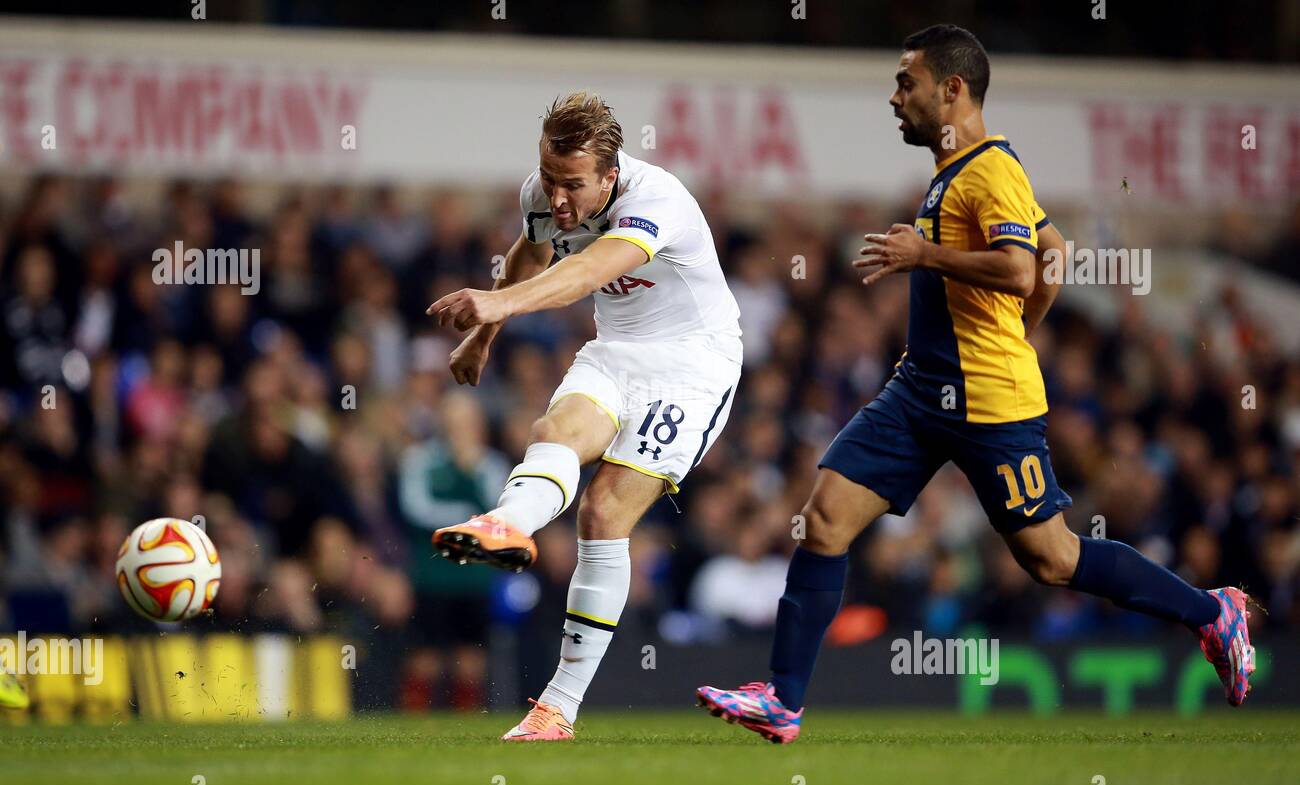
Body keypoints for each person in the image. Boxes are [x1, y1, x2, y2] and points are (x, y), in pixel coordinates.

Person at [697, 24, 1255, 744]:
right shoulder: (964, 169)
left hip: (988, 401)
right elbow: (1053, 251)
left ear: (952, 89)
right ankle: (783, 699)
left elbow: (1024, 268)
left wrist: (931, 258)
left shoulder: (988, 170)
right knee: (827, 514)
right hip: (919, 389)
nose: (895, 97)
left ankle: (1213, 614)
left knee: (1051, 558)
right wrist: (1021, 328)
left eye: (907, 82)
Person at [425, 91, 743, 741]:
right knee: (554, 433)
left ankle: (557, 708)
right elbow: (533, 251)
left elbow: (590, 268)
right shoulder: (543, 193)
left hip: (692, 368)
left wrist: (493, 304)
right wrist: (484, 336)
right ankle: (506, 525)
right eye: (550, 179)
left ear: (611, 173)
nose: (559, 198)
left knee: (603, 514)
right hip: (616, 353)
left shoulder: (659, 201)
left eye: (573, 185)